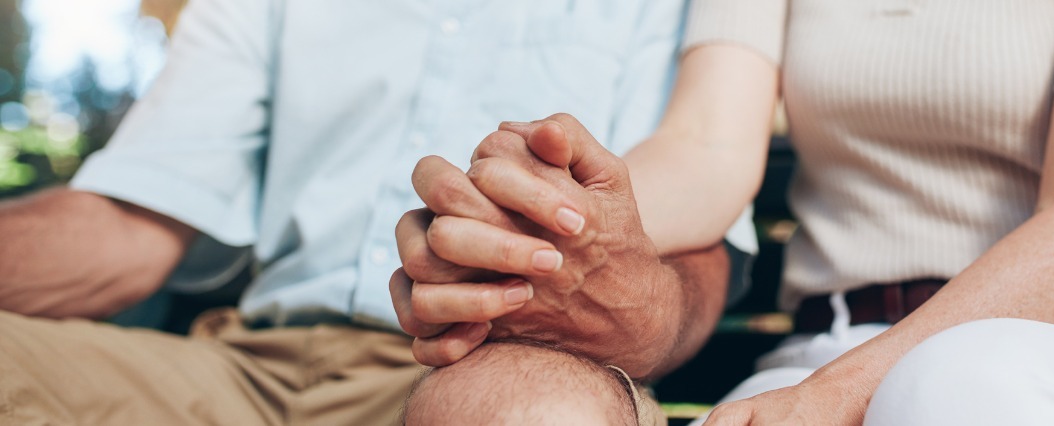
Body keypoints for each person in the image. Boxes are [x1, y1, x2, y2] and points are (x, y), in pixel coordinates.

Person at [399, 0, 1054, 424]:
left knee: (956, 385)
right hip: (825, 347)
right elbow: (704, 148)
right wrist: (522, 237)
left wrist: (835, 398)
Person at [0, 0, 757, 424]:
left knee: (527, 415)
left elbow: (702, 247)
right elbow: (132, 227)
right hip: (244, 369)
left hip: (481, 372)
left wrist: (629, 312)